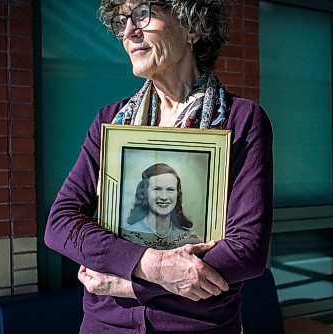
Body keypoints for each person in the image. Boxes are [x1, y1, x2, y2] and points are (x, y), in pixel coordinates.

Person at [44, 0, 274, 333]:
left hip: (197, 326)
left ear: (192, 26)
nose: (128, 32)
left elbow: (246, 250)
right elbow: (61, 223)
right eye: (122, 21)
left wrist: (130, 284)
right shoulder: (110, 122)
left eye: (142, 14)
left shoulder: (241, 121)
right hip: (106, 324)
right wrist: (152, 265)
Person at [121, 163, 201, 249]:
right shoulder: (126, 236)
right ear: (145, 193)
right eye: (157, 189)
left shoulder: (190, 240)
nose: (164, 197)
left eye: (170, 190)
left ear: (177, 194)